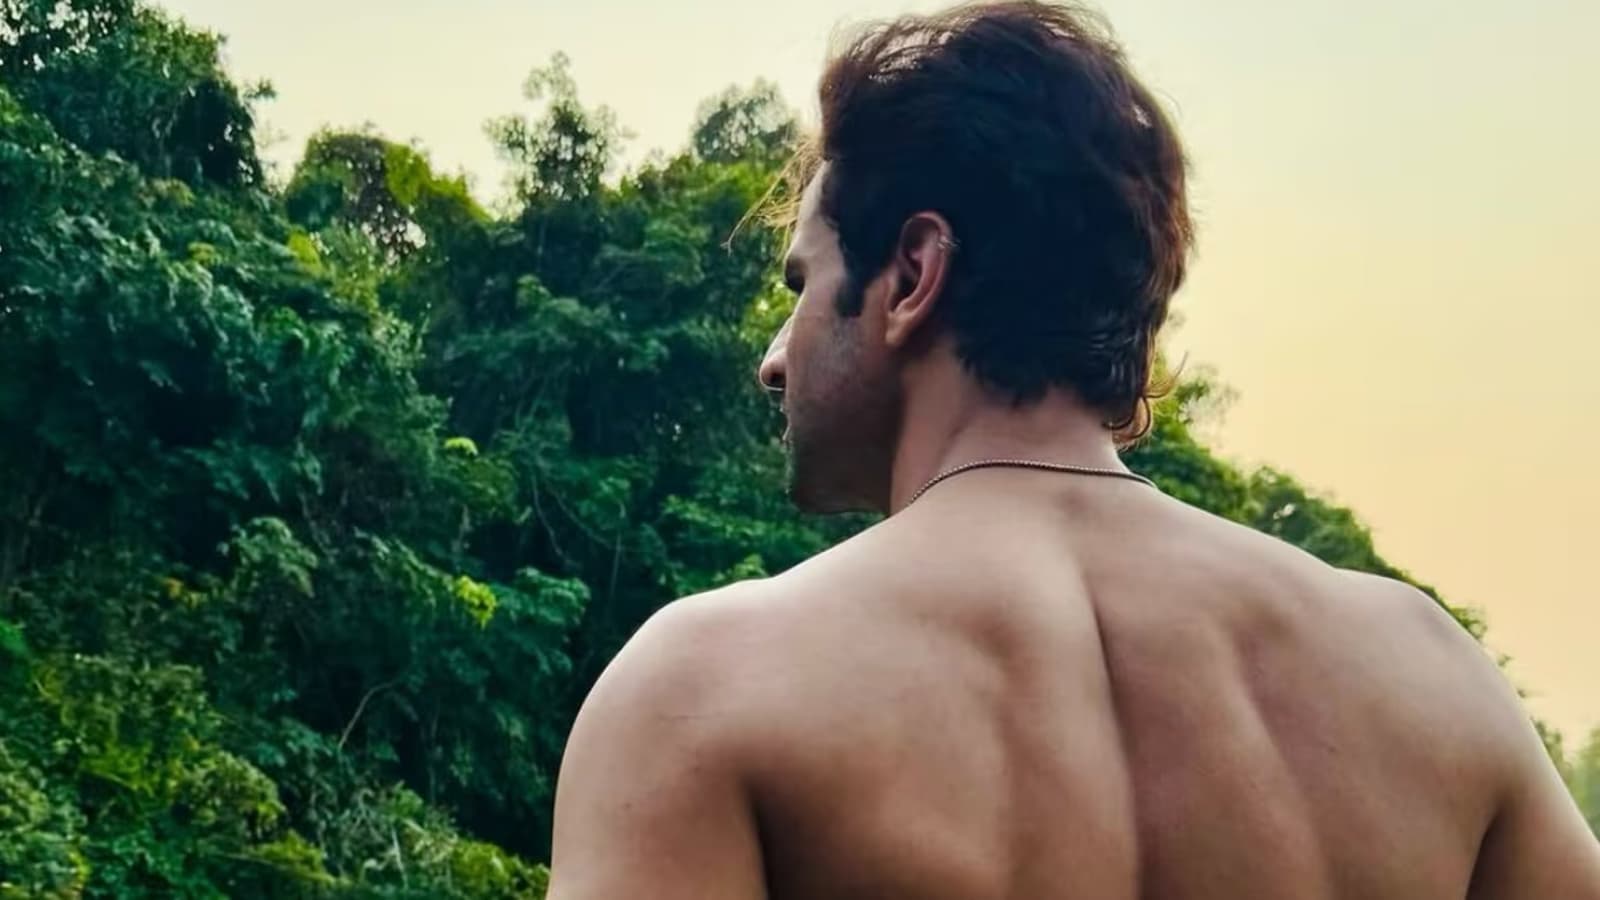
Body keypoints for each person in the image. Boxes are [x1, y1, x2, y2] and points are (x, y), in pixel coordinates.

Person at [546, 2, 1600, 897]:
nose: (775, 359)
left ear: (911, 275)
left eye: (801, 286)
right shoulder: (1427, 676)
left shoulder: (705, 690)